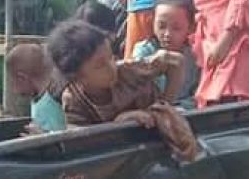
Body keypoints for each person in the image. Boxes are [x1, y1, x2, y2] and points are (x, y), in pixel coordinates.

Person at [47, 20, 197, 161]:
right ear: (77, 76)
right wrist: (118, 124)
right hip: (121, 160)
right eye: (100, 65)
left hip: (158, 145)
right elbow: (81, 141)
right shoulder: (74, 99)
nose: (112, 67)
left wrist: (163, 105)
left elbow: (175, 61)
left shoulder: (128, 71)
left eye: (111, 57)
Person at [132, 0, 199, 106]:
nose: (167, 34)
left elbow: (196, 94)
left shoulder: (194, 55)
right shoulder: (144, 51)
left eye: (176, 28)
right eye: (161, 26)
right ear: (152, 23)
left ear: (191, 28)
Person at [6, 43, 65, 133]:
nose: (14, 90)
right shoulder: (37, 96)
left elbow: (71, 131)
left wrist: (43, 136)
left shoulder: (58, 94)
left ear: (22, 77)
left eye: (12, 80)